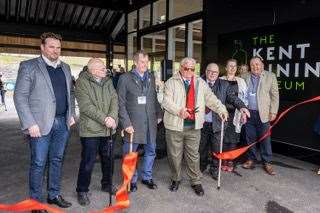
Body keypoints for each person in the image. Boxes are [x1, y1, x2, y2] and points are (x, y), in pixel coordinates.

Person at [14, 32, 75, 213]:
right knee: (39, 163)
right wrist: (29, 123)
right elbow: (20, 96)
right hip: (39, 125)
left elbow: (70, 93)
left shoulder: (65, 67)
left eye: (58, 47)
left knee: (57, 160)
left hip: (62, 123)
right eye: (51, 46)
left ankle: (54, 194)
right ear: (42, 47)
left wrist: (71, 113)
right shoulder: (29, 66)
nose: (55, 50)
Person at [162, 57, 228, 196]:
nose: (189, 71)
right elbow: (166, 101)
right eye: (186, 68)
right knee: (174, 155)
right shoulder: (171, 82)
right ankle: (175, 179)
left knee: (193, 156)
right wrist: (179, 110)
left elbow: (211, 99)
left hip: (194, 126)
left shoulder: (200, 82)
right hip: (175, 126)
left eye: (192, 69)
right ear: (180, 67)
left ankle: (195, 181)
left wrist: (222, 110)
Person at [75, 58, 118, 206]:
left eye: (104, 68)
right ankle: (82, 190)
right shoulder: (82, 82)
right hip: (90, 131)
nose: (105, 70)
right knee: (88, 161)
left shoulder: (108, 81)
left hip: (108, 129)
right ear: (92, 70)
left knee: (109, 159)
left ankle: (107, 184)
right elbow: (86, 106)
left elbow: (114, 100)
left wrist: (112, 117)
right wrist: (105, 118)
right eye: (101, 68)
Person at [117, 50, 162, 192]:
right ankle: (132, 179)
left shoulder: (151, 76)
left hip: (150, 121)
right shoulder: (125, 78)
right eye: (142, 62)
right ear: (135, 62)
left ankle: (147, 177)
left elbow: (153, 97)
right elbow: (120, 103)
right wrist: (126, 123)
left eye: (147, 62)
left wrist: (159, 113)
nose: (145, 64)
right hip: (133, 124)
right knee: (130, 154)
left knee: (151, 151)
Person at [199, 62, 249, 179]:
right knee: (202, 148)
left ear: (218, 73)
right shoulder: (198, 82)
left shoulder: (224, 84)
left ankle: (215, 169)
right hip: (201, 122)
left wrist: (242, 107)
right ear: (206, 71)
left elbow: (233, 98)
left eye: (215, 72)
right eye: (210, 71)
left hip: (217, 122)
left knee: (217, 149)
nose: (212, 74)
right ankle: (201, 168)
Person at [242, 56, 279, 175]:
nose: (255, 67)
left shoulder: (270, 76)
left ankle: (267, 162)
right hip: (248, 113)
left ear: (262, 65)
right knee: (250, 137)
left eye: (257, 64)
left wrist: (273, 111)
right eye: (252, 65)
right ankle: (251, 159)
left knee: (265, 139)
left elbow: (275, 96)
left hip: (263, 113)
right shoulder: (244, 76)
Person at [220, 59, 249, 172]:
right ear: (226, 68)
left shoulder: (241, 81)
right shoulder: (220, 80)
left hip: (236, 114)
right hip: (222, 114)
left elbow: (245, 99)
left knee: (233, 139)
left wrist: (243, 112)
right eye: (230, 66)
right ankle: (222, 160)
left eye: (234, 66)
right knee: (222, 138)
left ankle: (230, 161)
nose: (232, 68)